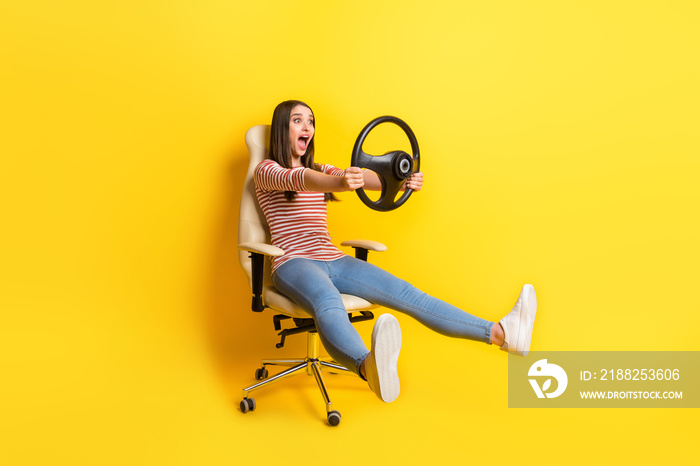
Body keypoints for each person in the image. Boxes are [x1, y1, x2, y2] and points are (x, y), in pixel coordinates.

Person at [253, 99, 537, 403]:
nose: (307, 127)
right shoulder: (267, 170)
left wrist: (400, 181)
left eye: (310, 121)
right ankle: (368, 367)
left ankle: (502, 334)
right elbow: (303, 179)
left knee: (408, 294)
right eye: (298, 121)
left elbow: (368, 180)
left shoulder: (322, 168)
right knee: (327, 300)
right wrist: (339, 181)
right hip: (293, 263)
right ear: (282, 128)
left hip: (333, 258)